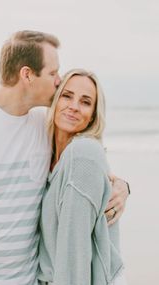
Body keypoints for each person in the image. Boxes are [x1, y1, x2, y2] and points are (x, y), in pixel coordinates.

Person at [0, 31, 129, 285]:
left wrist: (123, 187)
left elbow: (86, 171)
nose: (59, 81)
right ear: (27, 74)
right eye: (53, 73)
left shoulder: (44, 127)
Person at [38, 69, 128, 285]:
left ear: (93, 116)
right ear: (55, 100)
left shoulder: (83, 154)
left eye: (86, 102)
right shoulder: (45, 157)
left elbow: (74, 256)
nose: (74, 107)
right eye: (67, 96)